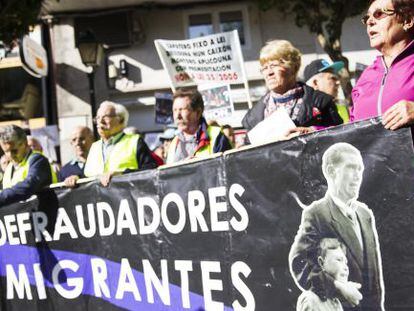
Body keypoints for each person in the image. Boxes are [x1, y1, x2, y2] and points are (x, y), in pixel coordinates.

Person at [289, 142, 384, 311]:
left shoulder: (365, 214)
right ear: (331, 172)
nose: (357, 176)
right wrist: (337, 287)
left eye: (360, 169)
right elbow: (300, 263)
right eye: (350, 168)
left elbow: (374, 279)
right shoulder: (317, 213)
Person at [242, 40, 342, 139]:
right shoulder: (253, 116)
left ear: (293, 68)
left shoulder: (320, 102)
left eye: (274, 66)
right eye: (264, 68)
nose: (269, 73)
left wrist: (313, 131)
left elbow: (340, 135)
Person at [351, 0, 414, 130]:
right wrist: (314, 132)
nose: (369, 21)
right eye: (367, 17)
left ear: (407, 21)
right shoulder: (366, 76)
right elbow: (350, 129)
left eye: (379, 14)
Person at [84, 101, 157, 186]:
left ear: (121, 120)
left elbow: (151, 170)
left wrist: (122, 175)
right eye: (98, 117)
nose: (100, 121)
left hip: (128, 196)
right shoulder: (94, 147)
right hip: (99, 198)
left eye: (105, 117)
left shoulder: (135, 141)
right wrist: (76, 178)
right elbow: (87, 176)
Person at [165, 88, 232, 164]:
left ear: (198, 112)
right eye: (175, 110)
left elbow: (228, 170)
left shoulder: (217, 136)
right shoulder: (174, 143)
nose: (177, 116)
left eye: (182, 109)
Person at [0, 125, 57, 206]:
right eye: (6, 151)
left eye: (14, 150)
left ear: (25, 144)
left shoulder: (38, 160)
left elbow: (28, 187)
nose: (11, 155)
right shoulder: (9, 168)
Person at [296, 238, 349, 311]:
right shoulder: (310, 299)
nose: (346, 267)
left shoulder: (336, 302)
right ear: (321, 263)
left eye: (346, 263)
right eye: (339, 260)